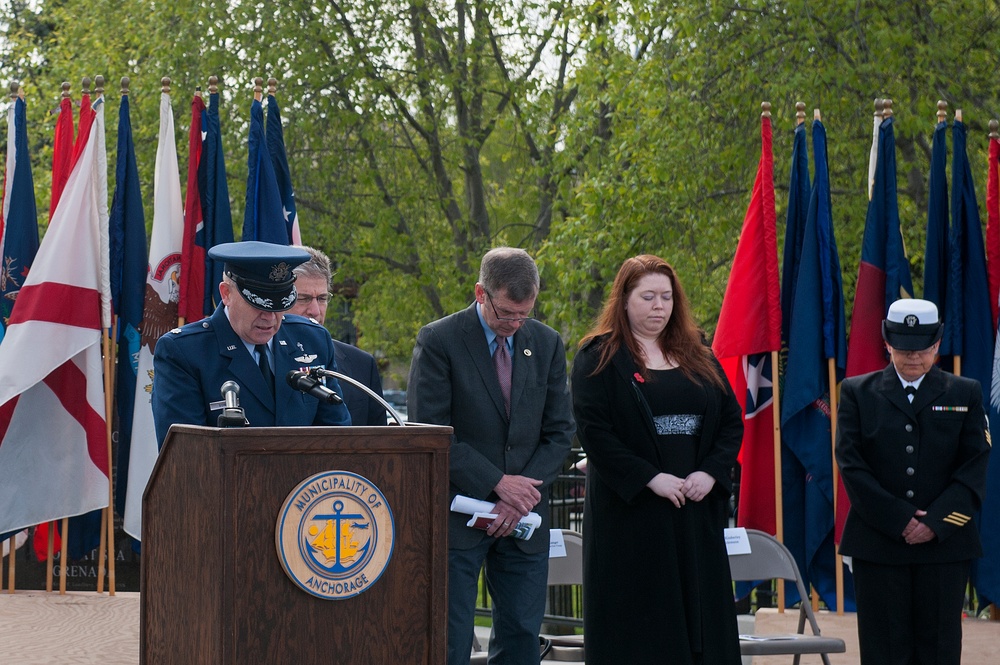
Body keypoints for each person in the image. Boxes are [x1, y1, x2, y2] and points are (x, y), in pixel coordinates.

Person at [571, 255, 743, 665]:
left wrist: (710, 472)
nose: (658, 306)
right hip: (633, 519)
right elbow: (595, 434)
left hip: (695, 513)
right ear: (624, 300)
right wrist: (650, 478)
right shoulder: (598, 358)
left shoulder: (698, 350)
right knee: (643, 633)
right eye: (647, 296)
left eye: (666, 297)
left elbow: (731, 422)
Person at [408, 246, 575, 665]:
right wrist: (497, 484)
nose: (515, 325)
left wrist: (519, 496)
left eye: (525, 314)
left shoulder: (546, 343)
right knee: (451, 638)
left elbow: (560, 434)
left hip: (524, 520)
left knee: (521, 636)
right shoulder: (439, 340)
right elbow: (431, 431)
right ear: (481, 293)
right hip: (457, 520)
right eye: (506, 314)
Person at [836, 298, 990, 665]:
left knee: (938, 648)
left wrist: (934, 523)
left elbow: (974, 466)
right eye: (904, 349)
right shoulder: (857, 393)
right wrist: (899, 518)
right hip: (879, 544)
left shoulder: (964, 393)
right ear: (887, 342)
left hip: (944, 548)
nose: (914, 358)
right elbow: (851, 465)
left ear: (937, 345)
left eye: (922, 350)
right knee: (883, 649)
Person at [152, 241, 351, 446]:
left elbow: (337, 436)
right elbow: (186, 454)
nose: (270, 318)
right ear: (226, 293)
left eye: (280, 305)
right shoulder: (185, 351)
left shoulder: (312, 340)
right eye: (259, 305)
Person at [289, 245, 387, 426]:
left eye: (322, 299)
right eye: (303, 299)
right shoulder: (262, 359)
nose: (315, 311)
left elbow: (378, 443)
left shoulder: (362, 365)